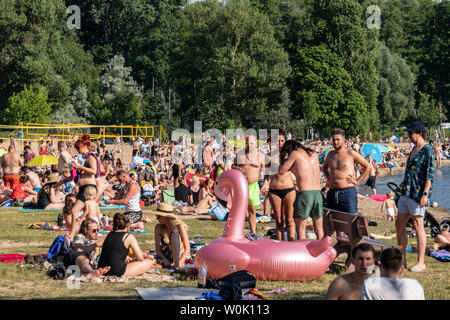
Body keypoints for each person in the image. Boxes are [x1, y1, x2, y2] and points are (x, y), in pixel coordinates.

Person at [395, 121, 434, 272]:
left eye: (411, 133)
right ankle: (402, 259)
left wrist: (425, 194)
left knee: (418, 226)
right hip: (406, 192)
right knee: (399, 224)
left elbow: (430, 176)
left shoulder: (427, 150)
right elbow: (409, 173)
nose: (409, 136)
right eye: (408, 133)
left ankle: (421, 262)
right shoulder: (413, 149)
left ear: (419, 133)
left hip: (418, 194)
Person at [278, 140, 323, 240]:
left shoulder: (294, 154)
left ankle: (303, 252)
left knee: (301, 229)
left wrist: (286, 159)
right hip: (317, 193)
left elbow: (281, 171)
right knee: (319, 228)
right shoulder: (313, 154)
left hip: (305, 193)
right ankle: (322, 251)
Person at [322, 128, 371, 214]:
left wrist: (357, 181)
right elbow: (325, 167)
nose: (335, 142)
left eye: (338, 139)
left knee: (350, 219)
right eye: (333, 140)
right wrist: (329, 178)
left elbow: (368, 166)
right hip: (332, 192)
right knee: (332, 219)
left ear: (343, 140)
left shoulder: (351, 153)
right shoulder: (330, 154)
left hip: (347, 192)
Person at [98, 213, 153, 277]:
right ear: (128, 225)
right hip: (115, 271)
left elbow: (115, 250)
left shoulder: (110, 234)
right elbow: (140, 258)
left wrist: (126, 257)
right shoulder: (129, 236)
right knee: (149, 262)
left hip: (102, 268)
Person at [69, 135, 100, 240]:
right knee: (86, 214)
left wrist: (79, 167)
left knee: (74, 211)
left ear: (85, 146)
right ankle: (87, 234)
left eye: (79, 148)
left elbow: (93, 171)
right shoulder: (84, 158)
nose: (78, 151)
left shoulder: (91, 157)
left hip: (88, 188)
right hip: (84, 187)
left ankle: (72, 234)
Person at [266, 134, 296, 241]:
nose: (279, 143)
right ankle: (279, 244)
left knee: (289, 221)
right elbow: (266, 175)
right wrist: (265, 185)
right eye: (277, 141)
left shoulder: (290, 155)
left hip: (289, 189)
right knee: (278, 221)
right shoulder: (269, 156)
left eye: (282, 140)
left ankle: (291, 245)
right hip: (274, 190)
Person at [234, 135, 267, 234]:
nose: (250, 145)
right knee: (240, 210)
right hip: (241, 185)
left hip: (254, 185)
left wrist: (266, 184)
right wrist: (237, 168)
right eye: (248, 142)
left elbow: (266, 172)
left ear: (256, 143)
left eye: (252, 143)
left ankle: (253, 232)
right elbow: (232, 166)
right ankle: (237, 232)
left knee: (252, 210)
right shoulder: (240, 154)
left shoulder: (260, 156)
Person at [152, 203, 191, 270]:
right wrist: (164, 259)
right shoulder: (158, 228)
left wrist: (179, 262)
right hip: (166, 256)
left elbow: (187, 249)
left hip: (180, 255)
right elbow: (158, 250)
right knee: (149, 261)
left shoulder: (179, 227)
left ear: (166, 217)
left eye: (159, 216)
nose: (157, 218)